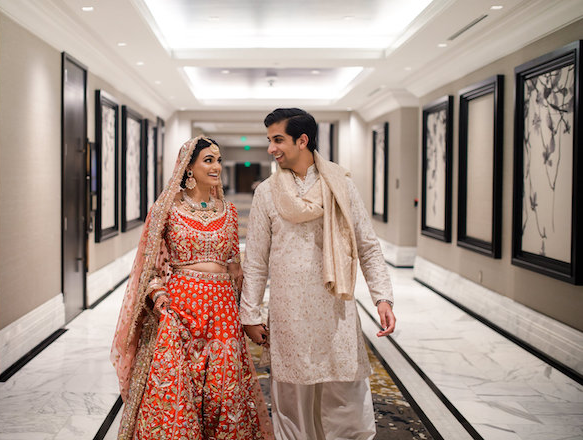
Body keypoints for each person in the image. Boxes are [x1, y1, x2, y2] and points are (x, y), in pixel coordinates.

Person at [240, 108, 396, 440]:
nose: (271, 148)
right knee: (293, 400)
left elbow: (366, 244)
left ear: (303, 140)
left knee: (345, 394)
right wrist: (250, 314)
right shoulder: (267, 193)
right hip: (289, 310)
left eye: (277, 139)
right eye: (269, 140)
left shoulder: (341, 185)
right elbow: (255, 260)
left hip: (334, 306)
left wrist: (382, 297)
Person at [111, 136, 274, 440]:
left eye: (219, 160)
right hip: (180, 313)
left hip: (223, 314)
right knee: (176, 397)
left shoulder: (229, 212)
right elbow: (149, 267)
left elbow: (236, 268)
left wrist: (247, 314)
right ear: (189, 167)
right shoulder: (166, 210)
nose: (217, 167)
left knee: (224, 394)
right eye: (208, 160)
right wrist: (158, 294)